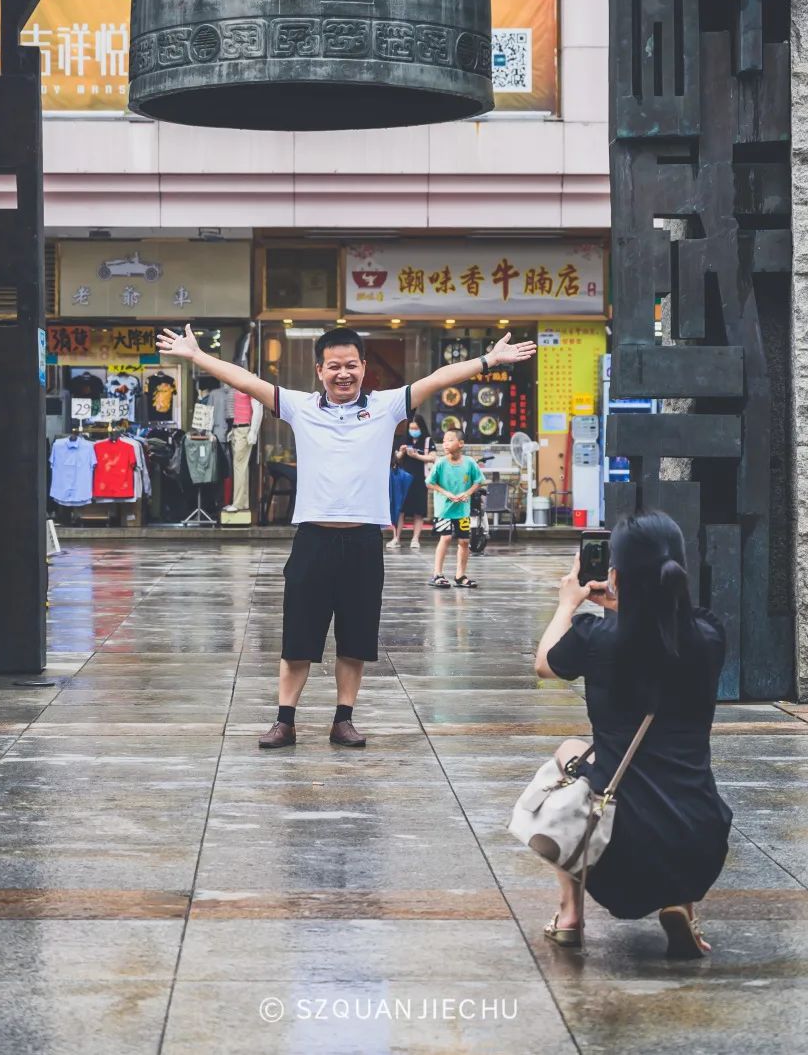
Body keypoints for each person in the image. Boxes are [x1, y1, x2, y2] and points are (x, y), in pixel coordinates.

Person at [156, 322, 536, 750]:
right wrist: (196, 356)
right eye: (333, 366)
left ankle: (344, 719)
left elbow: (437, 378)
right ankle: (285, 721)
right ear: (319, 370)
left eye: (350, 365)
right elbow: (246, 380)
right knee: (298, 639)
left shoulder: (387, 406)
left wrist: (489, 360)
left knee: (355, 639)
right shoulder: (300, 406)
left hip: (362, 543)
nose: (343, 374)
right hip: (313, 540)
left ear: (364, 367)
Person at [533, 512, 732, 958]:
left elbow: (545, 663)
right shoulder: (709, 635)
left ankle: (569, 916)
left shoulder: (595, 638)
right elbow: (664, 630)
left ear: (614, 573)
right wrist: (629, 604)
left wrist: (568, 603)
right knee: (672, 778)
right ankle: (683, 907)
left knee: (567, 755)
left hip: (619, 852)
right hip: (699, 843)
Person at [427, 429, 485, 589]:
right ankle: (437, 574)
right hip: (444, 509)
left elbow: (479, 481)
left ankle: (460, 576)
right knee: (445, 538)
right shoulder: (440, 463)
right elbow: (430, 482)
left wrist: (468, 493)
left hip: (462, 510)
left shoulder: (470, 462)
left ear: (461, 444)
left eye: (450, 440)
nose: (445, 443)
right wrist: (446, 493)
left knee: (464, 541)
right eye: (444, 440)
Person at [390, 411, 435, 550]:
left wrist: (416, 456)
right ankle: (396, 538)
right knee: (400, 509)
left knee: (418, 510)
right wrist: (402, 453)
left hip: (420, 479)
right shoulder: (403, 440)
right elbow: (396, 457)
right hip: (403, 480)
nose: (413, 431)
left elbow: (432, 457)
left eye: (416, 428)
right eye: (411, 428)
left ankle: (415, 539)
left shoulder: (427, 440)